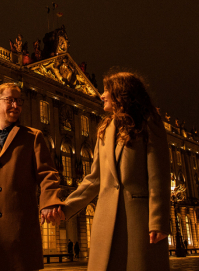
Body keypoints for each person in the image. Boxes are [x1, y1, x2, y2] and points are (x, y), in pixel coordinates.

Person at [61, 70, 171, 271]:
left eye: (106, 91)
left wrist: (158, 221)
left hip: (139, 220)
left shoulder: (149, 122)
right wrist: (65, 208)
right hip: (106, 218)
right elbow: (94, 179)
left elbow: (158, 176)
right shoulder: (105, 129)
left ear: (122, 94)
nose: (101, 95)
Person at [0, 83, 64, 271]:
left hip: (21, 230)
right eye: (10, 100)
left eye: (19, 101)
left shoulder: (33, 137)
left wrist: (49, 201)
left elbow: (48, 173)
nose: (16, 106)